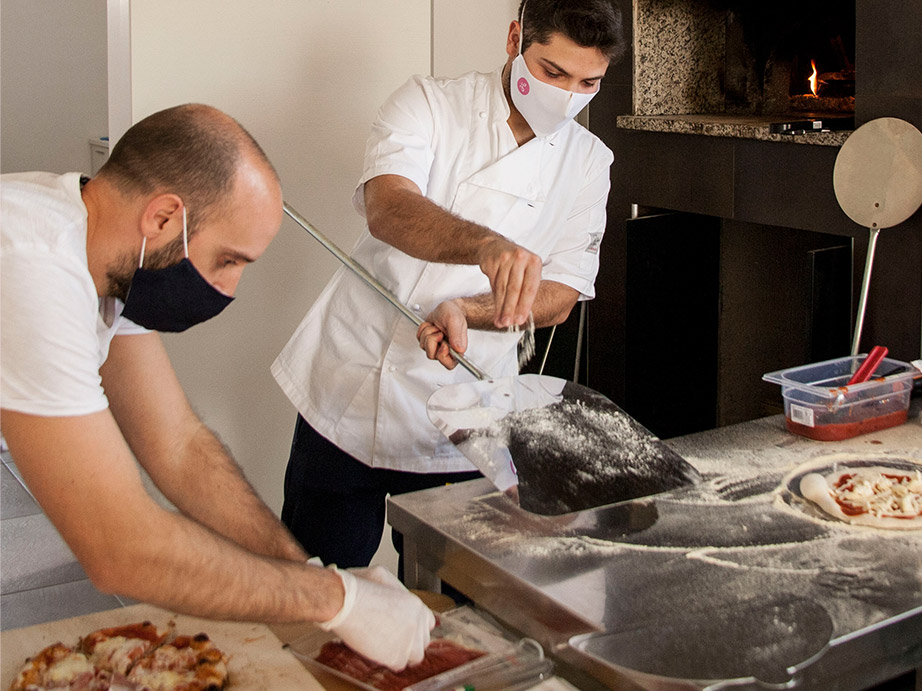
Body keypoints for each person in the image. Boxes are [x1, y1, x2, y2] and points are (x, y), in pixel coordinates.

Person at [0, 104, 434, 672]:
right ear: (162, 218)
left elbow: (178, 445)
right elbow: (118, 548)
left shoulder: (107, 253)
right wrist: (338, 603)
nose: (230, 288)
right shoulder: (31, 266)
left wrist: (304, 572)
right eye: (227, 260)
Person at [273, 0, 625, 572]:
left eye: (588, 82)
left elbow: (560, 293)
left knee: (466, 599)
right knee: (318, 588)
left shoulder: (589, 162)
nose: (567, 95)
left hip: (467, 413)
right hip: (353, 389)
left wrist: (465, 308)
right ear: (514, 39)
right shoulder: (430, 103)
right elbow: (388, 208)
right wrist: (486, 246)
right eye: (552, 73)